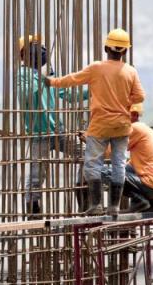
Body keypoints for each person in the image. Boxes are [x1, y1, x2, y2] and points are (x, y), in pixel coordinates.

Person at [45, 29, 144, 215]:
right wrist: (123, 105)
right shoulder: (130, 71)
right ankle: (114, 206)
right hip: (122, 126)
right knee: (119, 164)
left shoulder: (96, 68)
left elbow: (72, 79)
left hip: (100, 126)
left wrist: (52, 82)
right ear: (125, 51)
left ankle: (96, 205)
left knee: (92, 164)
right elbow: (139, 96)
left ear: (106, 48)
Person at [16, 34, 88, 215]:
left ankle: (83, 193)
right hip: (39, 133)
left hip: (58, 130)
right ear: (23, 55)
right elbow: (25, 96)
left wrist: (93, 89)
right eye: (33, 48)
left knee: (88, 154)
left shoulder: (48, 72)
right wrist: (41, 78)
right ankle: (34, 210)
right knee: (36, 176)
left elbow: (68, 95)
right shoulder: (22, 74)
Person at [87, 103, 153, 213]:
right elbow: (130, 165)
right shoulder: (144, 129)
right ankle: (151, 204)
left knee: (101, 172)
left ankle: (140, 200)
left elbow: (109, 152)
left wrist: (92, 139)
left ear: (134, 115)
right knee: (122, 170)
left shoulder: (135, 129)